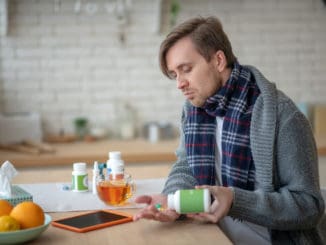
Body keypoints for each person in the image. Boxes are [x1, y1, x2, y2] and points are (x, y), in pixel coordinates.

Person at [133, 16, 326, 244]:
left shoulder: (282, 116)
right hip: (213, 235)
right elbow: (186, 165)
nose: (180, 84)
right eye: (175, 75)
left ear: (219, 60)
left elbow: (309, 207)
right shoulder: (195, 109)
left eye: (186, 69)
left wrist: (234, 200)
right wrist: (173, 199)